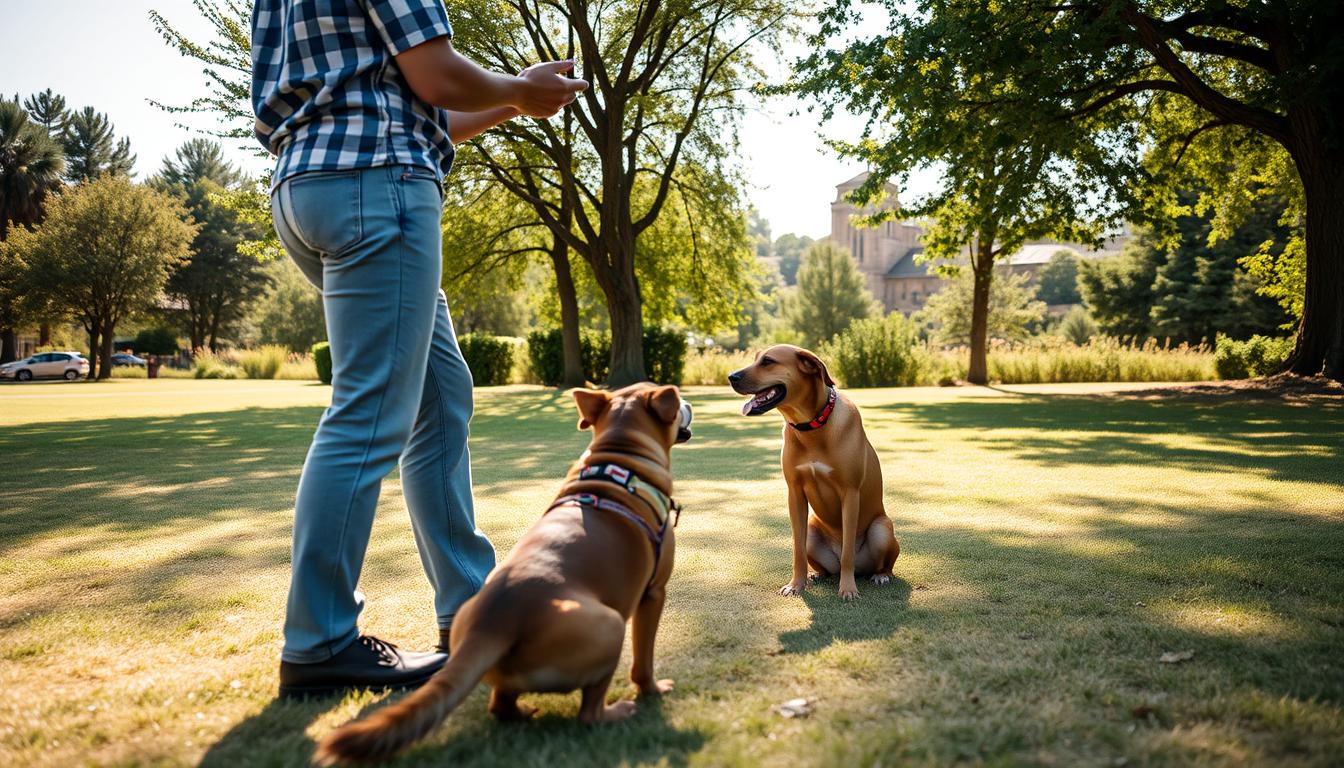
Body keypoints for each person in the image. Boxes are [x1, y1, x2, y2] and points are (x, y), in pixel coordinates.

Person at [251, 0, 588, 698]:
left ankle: (469, 611)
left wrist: (513, 103)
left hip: (309, 184)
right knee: (370, 412)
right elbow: (436, 75)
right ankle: (317, 644)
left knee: (439, 398)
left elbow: (423, 106)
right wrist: (522, 89)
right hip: (378, 184)